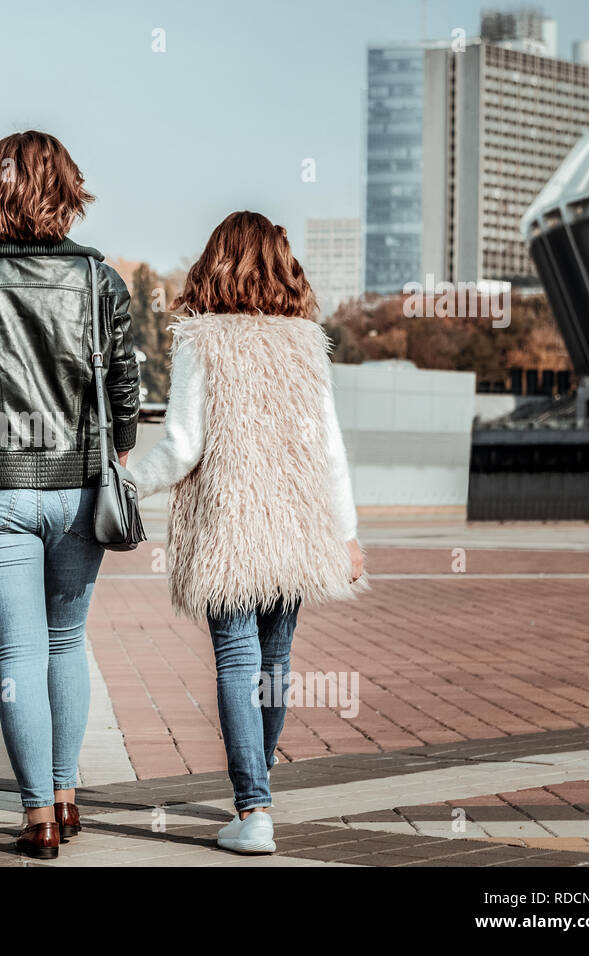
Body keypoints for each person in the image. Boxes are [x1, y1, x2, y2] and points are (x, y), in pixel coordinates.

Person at [0, 131, 141, 859]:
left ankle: (37, 817)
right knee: (66, 643)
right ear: (68, 190)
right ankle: (68, 791)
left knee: (16, 654)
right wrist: (111, 453)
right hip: (80, 484)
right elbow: (125, 393)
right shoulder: (100, 279)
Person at [129, 210, 365, 855]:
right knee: (276, 664)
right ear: (282, 266)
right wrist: (346, 536)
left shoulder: (201, 340)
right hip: (294, 529)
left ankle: (252, 807)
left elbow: (181, 448)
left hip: (229, 530)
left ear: (217, 263)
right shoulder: (305, 341)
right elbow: (330, 450)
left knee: (237, 661)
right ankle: (257, 798)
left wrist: (123, 487)